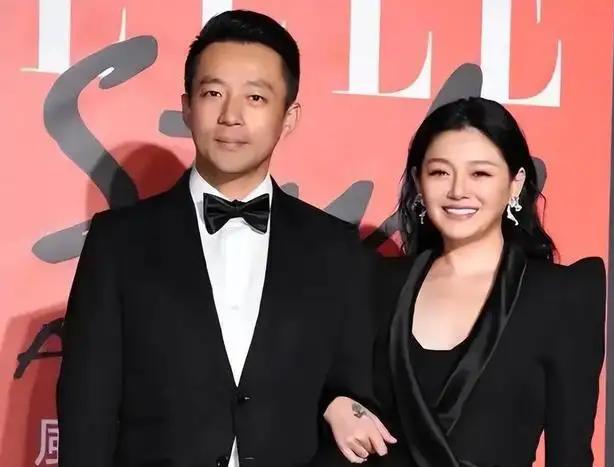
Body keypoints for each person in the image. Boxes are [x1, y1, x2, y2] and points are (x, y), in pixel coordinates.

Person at [57, 10, 380, 467]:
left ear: (289, 117)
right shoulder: (118, 244)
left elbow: (352, 395)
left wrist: (338, 402)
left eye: (255, 97)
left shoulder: (336, 250)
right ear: (187, 107)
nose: (231, 116)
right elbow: (87, 411)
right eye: (213, 93)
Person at [322, 97, 606, 467]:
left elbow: (571, 455)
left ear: (515, 183)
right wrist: (335, 404)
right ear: (418, 182)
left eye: (480, 174)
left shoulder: (561, 296)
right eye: (440, 172)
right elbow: (313, 380)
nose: (458, 190)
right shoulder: (379, 283)